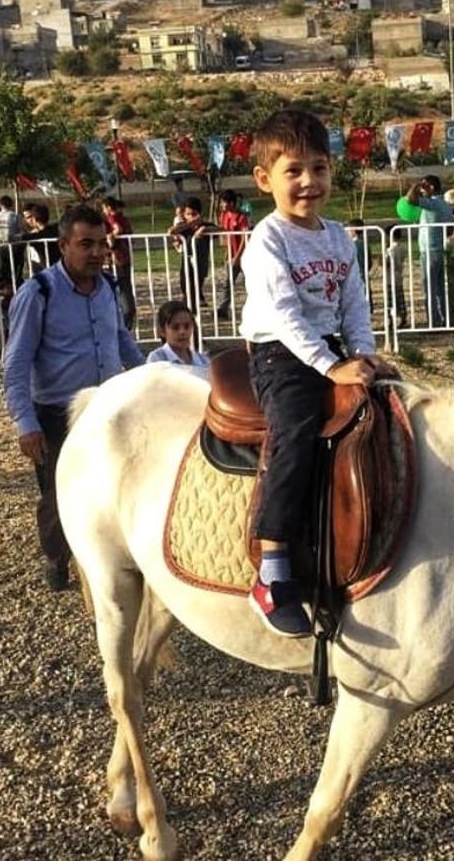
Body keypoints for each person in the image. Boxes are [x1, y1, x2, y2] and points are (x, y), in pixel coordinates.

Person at [239, 109, 383, 636]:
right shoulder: (268, 239)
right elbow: (283, 313)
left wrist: (362, 355)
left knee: (390, 406)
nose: (308, 183)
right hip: (280, 351)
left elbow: (354, 304)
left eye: (318, 169)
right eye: (293, 171)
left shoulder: (338, 236)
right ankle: (272, 565)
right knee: (296, 431)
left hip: (329, 347)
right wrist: (331, 366)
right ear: (265, 179)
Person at [2, 203, 145, 591]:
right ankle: (56, 555)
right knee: (58, 494)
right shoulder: (38, 293)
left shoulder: (108, 288)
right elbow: (15, 364)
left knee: (117, 482)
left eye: (101, 244)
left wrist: (153, 375)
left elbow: (120, 340)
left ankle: (110, 553)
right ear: (64, 245)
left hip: (106, 407)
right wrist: (25, 423)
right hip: (56, 414)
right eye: (86, 244)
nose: (97, 252)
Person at [406, 173, 454, 327]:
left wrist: (415, 186)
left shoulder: (432, 204)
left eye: (425, 185)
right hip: (441, 250)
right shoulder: (446, 206)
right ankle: (446, 318)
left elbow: (410, 199)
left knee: (429, 288)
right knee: (440, 288)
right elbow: (449, 230)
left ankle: (433, 322)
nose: (422, 189)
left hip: (429, 250)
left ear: (431, 187)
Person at [169, 196, 215, 306]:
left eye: (194, 214)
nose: (191, 217)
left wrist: (204, 229)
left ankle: (192, 310)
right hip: (186, 261)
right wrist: (190, 224)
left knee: (194, 289)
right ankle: (189, 307)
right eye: (188, 214)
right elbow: (171, 231)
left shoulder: (204, 225)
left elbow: (222, 230)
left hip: (200, 262)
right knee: (185, 286)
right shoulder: (185, 227)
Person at [215, 189, 251, 320]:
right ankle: (223, 308)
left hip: (244, 256)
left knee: (250, 283)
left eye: (224, 202)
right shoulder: (223, 216)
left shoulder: (242, 217)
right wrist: (226, 252)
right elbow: (224, 234)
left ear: (232, 203)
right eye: (222, 202)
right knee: (227, 282)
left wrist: (238, 256)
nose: (222, 205)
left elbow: (244, 238)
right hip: (231, 255)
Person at [101, 196, 136, 329]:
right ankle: (127, 317)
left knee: (120, 287)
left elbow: (118, 229)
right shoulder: (124, 218)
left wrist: (111, 236)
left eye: (104, 208)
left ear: (108, 207)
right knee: (125, 286)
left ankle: (125, 319)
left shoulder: (112, 218)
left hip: (117, 257)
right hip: (125, 255)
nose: (103, 211)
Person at [146, 299, 210, 372]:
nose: (182, 332)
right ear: (162, 331)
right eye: (175, 327)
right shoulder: (156, 359)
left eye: (187, 326)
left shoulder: (203, 360)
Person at [0, 195, 25, 328]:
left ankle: (5, 294)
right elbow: (20, 231)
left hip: (1, 246)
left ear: (1, 205)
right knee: (16, 272)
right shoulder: (14, 216)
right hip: (14, 246)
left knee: (4, 272)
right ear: (11, 204)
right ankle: (15, 294)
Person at [22, 203, 60, 275]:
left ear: (35, 219)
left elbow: (20, 238)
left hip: (49, 271)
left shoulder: (35, 237)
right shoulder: (56, 229)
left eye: (30, 217)